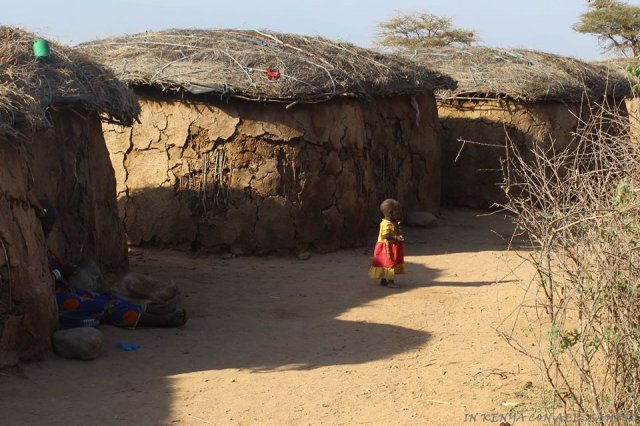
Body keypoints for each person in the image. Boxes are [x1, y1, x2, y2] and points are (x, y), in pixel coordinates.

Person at [38, 199, 187, 328]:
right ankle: (159, 321)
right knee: (107, 307)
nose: (50, 229)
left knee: (108, 298)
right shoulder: (33, 250)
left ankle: (154, 311)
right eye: (47, 224)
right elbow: (40, 284)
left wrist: (65, 271)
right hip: (56, 301)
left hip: (67, 292)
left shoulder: (41, 246)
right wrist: (61, 272)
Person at [368, 198, 405, 289]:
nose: (399, 214)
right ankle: (390, 282)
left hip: (386, 247)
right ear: (390, 212)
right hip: (387, 247)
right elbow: (385, 236)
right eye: (397, 213)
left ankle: (383, 280)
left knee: (385, 263)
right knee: (389, 263)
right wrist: (396, 238)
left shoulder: (389, 222)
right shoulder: (387, 224)